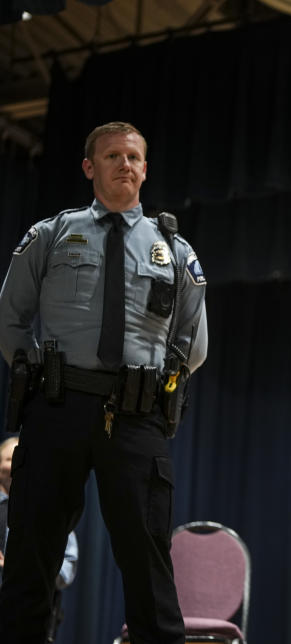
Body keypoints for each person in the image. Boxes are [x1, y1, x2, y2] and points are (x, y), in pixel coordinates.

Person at [0, 121, 208, 643]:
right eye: (112, 156)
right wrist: (34, 370)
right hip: (57, 405)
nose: (125, 165)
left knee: (148, 560)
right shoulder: (50, 235)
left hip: (136, 414)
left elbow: (193, 342)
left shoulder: (174, 250)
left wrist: (161, 386)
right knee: (32, 554)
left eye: (134, 157)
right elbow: (10, 319)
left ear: (145, 168)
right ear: (90, 167)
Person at [0, 436, 78, 642]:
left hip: (30, 615)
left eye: (21, 458)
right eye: (8, 459)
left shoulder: (50, 511)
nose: (15, 465)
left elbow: (67, 569)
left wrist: (26, 569)